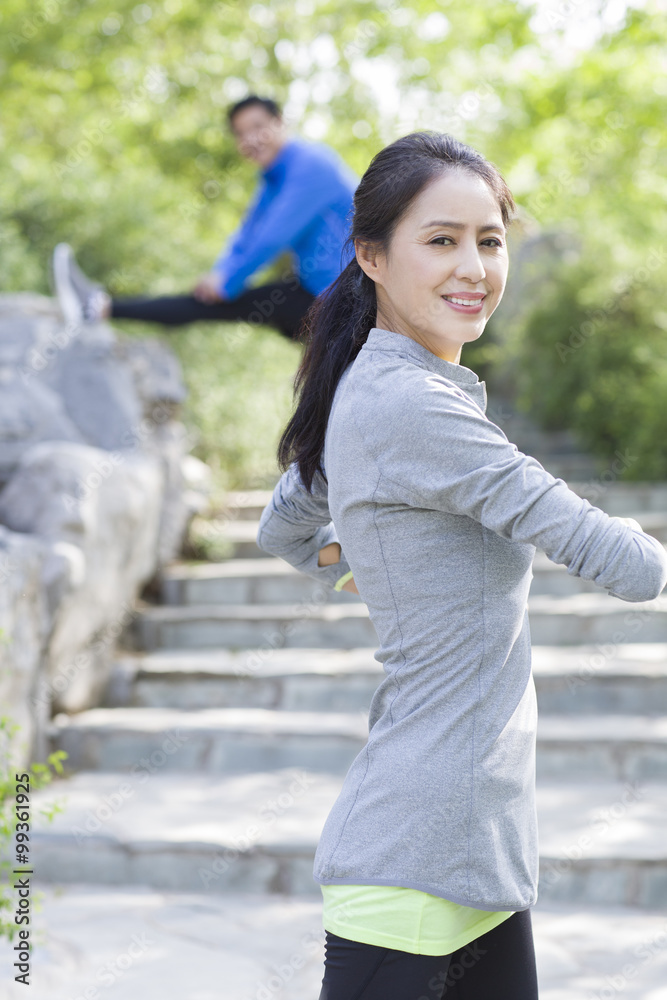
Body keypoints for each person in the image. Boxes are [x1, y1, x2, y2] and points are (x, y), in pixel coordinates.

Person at [255, 130, 667, 999]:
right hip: (412, 864)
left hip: (470, 858)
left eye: (489, 238)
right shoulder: (413, 405)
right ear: (370, 255)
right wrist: (367, 555)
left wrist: (366, 555)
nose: (472, 266)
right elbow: (622, 562)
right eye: (440, 240)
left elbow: (285, 528)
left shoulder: (370, 384)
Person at [52, 95, 358, 341]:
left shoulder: (311, 165)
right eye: (240, 134)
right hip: (316, 293)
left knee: (222, 303)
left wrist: (226, 286)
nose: (249, 139)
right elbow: (246, 234)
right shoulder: (272, 178)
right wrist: (219, 274)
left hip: (351, 304)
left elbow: (272, 238)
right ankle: (100, 307)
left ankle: (98, 307)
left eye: (257, 127)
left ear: (280, 123)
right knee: (214, 302)